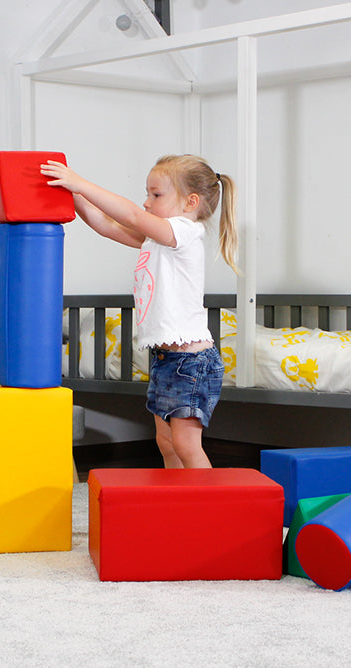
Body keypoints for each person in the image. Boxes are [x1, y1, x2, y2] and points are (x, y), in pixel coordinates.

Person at [41, 155, 238, 469]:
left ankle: (206, 510)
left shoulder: (185, 232)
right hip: (166, 359)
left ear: (191, 202)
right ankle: (178, 502)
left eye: (156, 195)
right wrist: (72, 194)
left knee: (187, 445)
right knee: (166, 443)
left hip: (192, 361)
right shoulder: (158, 239)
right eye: (147, 194)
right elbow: (106, 225)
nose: (146, 202)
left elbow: (131, 215)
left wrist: (82, 183)